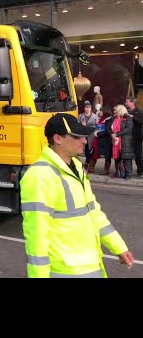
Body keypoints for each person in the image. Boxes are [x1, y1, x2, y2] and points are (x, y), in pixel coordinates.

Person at [20, 113, 134, 278]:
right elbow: (37, 234)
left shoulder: (77, 168)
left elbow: (94, 213)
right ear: (58, 139)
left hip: (89, 266)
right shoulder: (40, 175)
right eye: (76, 136)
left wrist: (119, 247)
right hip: (65, 271)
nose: (84, 140)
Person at [124, 96, 143, 176]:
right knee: (127, 154)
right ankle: (128, 171)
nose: (126, 103)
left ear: (132, 102)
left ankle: (140, 171)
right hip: (127, 137)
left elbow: (141, 122)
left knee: (138, 155)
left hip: (137, 136)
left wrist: (132, 117)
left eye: (127, 102)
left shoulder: (139, 111)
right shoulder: (125, 111)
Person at [78, 100, 98, 172]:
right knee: (85, 150)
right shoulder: (80, 116)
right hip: (83, 135)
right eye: (86, 107)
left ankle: (87, 163)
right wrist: (81, 125)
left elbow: (97, 126)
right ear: (84, 108)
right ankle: (87, 163)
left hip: (91, 135)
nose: (88, 109)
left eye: (89, 107)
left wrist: (88, 126)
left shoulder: (95, 116)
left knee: (90, 150)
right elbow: (78, 125)